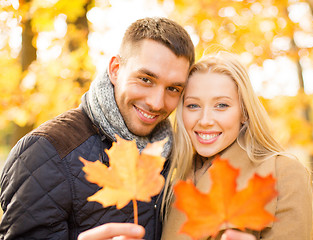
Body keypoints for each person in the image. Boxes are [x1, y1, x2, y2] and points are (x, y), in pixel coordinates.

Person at [0, 17, 194, 240]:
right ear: (115, 69)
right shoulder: (46, 151)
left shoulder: (176, 158)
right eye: (146, 79)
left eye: (173, 88)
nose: (157, 103)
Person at [160, 51, 313, 240]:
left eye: (221, 105)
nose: (205, 120)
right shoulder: (172, 178)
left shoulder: (284, 172)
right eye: (193, 106)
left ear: (244, 112)